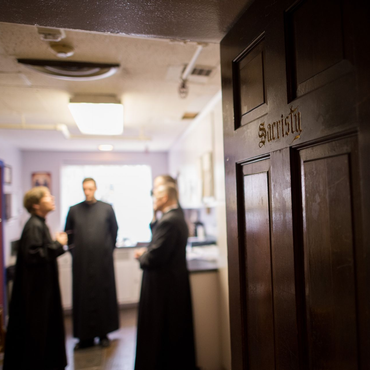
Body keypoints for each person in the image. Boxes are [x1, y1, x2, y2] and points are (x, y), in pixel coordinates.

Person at [3, 187, 68, 370]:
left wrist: (56, 245)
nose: (52, 197)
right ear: (36, 204)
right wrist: (58, 244)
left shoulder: (39, 223)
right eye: (47, 196)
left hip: (41, 290)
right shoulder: (34, 225)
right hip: (36, 293)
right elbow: (35, 255)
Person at [134, 183, 196, 370]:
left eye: (156, 195)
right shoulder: (172, 217)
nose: (153, 199)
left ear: (166, 198)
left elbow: (154, 257)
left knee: (162, 332)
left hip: (164, 286)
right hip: (169, 283)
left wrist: (142, 256)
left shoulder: (170, 220)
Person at [64, 177, 119, 349]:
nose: (87, 192)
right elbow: (69, 235)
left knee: (103, 295)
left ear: (95, 188)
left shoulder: (106, 209)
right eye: (85, 189)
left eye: (90, 188)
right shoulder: (73, 210)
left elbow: (114, 231)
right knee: (82, 297)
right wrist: (76, 253)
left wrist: (106, 250)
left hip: (102, 261)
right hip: (82, 263)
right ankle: (84, 336)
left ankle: (104, 333)